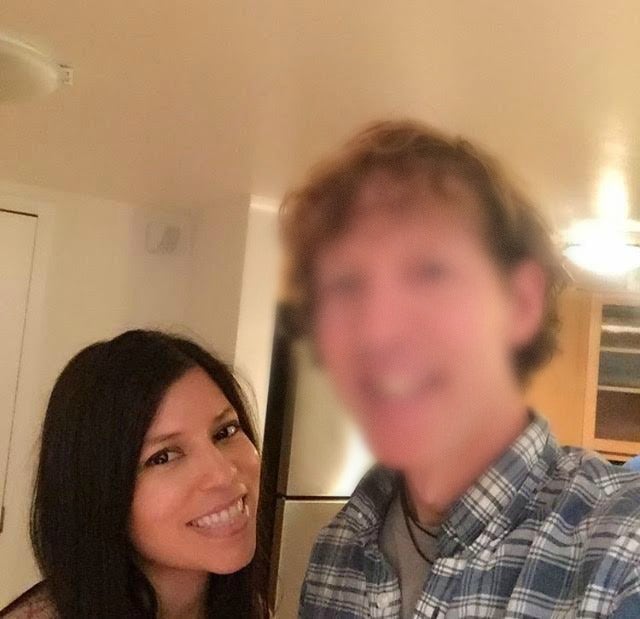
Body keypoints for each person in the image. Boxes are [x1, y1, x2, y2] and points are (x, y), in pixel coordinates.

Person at [281, 120, 640, 617]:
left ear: (521, 303)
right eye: (347, 286)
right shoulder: (337, 550)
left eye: (430, 273)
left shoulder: (619, 543)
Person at [0, 330, 268, 619]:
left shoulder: (244, 606)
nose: (224, 474)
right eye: (163, 457)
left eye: (225, 431)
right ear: (97, 491)